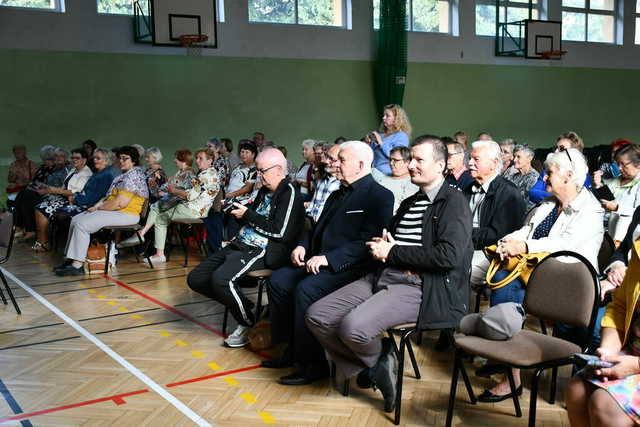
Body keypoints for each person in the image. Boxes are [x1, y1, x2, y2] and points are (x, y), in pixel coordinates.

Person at [306, 135, 473, 412]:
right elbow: (391, 242)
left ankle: (377, 359)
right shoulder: (411, 202)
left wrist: (393, 252)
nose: (411, 165)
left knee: (353, 328)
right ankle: (377, 363)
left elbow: (448, 256)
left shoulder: (453, 202)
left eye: (420, 160)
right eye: (411, 159)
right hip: (384, 275)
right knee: (318, 316)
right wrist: (384, 245)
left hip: (420, 286)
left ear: (441, 165)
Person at [478, 147, 604, 402]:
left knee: (508, 287)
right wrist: (506, 242)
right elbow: (526, 231)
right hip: (538, 275)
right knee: (505, 281)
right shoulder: (548, 205)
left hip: (567, 285)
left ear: (569, 176)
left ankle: (506, 362)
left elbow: (563, 246)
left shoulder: (591, 211)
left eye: (549, 173)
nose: (543, 178)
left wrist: (522, 247)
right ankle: (509, 369)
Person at [265, 141, 394, 386]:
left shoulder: (380, 196)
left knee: (307, 289)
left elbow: (370, 241)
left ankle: (312, 365)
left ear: (361, 164)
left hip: (352, 268)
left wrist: (328, 259)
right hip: (318, 260)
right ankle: (290, 349)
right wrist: (303, 244)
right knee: (278, 281)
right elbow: (315, 226)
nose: (335, 163)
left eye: (341, 160)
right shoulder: (337, 193)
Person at [187, 148, 304, 347]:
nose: (258, 175)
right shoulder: (265, 190)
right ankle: (246, 307)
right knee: (196, 279)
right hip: (241, 243)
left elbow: (279, 231)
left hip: (263, 250)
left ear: (277, 169)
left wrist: (247, 215)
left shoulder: (290, 193)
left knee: (221, 280)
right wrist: (236, 212)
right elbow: (254, 218)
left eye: (261, 171)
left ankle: (248, 323)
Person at [566, 241, 640, 427]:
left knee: (606, 405)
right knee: (577, 389)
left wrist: (635, 365)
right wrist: (609, 350)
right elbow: (619, 307)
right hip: (632, 353)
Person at [54, 146, 149, 276]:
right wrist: (96, 206)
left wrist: (98, 208)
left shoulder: (134, 176)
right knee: (76, 219)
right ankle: (71, 259)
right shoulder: (123, 175)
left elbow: (119, 203)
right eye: (120, 158)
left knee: (83, 225)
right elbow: (107, 197)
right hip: (115, 211)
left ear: (134, 161)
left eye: (125, 158)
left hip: (127, 214)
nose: (121, 161)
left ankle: (78, 265)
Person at [119, 148, 220, 264]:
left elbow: (190, 196)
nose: (197, 161)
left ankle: (157, 252)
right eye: (197, 158)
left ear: (210, 160)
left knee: (160, 217)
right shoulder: (209, 173)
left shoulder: (202, 175)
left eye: (200, 158)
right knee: (158, 208)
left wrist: (174, 190)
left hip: (191, 210)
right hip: (194, 209)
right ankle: (148, 241)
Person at [464, 140, 526, 299]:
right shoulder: (467, 189)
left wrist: (461, 235)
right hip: (463, 246)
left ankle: (454, 320)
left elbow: (499, 236)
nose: (469, 163)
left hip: (490, 254)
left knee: (453, 270)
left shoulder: (509, 194)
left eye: (476, 159)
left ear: (494, 163)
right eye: (470, 158)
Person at [32, 148, 93, 251]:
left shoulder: (86, 173)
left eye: (77, 158)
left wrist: (51, 190)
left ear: (84, 160)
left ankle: (43, 242)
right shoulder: (74, 170)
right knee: (38, 205)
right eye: (73, 158)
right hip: (65, 198)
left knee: (41, 208)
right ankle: (42, 241)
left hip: (75, 201)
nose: (74, 160)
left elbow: (73, 192)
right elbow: (65, 187)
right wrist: (49, 189)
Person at [14, 146, 69, 240]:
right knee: (23, 193)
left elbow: (65, 189)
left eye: (61, 156)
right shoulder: (54, 169)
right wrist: (40, 187)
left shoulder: (67, 170)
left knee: (26, 195)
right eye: (56, 156)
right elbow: (45, 183)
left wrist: (46, 190)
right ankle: (21, 227)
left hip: (56, 198)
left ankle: (28, 229)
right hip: (46, 194)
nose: (58, 158)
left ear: (66, 158)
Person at [593, 144, 640, 245]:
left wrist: (617, 208)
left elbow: (638, 214)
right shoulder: (616, 179)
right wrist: (598, 184)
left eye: (623, 164)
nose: (619, 168)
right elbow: (608, 200)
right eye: (618, 164)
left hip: (626, 236)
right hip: (604, 229)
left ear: (638, 164)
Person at [529, 131, 589, 205]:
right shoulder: (545, 172)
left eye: (561, 148)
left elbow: (578, 199)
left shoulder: (581, 173)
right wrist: (559, 197)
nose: (556, 151)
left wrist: (549, 195)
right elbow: (533, 193)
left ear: (574, 152)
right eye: (555, 148)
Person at [224, 141, 258, 240]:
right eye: (242, 152)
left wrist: (228, 196)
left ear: (253, 154)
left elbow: (247, 188)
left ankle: (231, 243)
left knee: (233, 225)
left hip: (241, 202)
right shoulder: (238, 166)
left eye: (247, 152)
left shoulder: (254, 169)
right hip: (228, 199)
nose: (243, 154)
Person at [371, 146, 418, 213]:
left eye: (395, 160)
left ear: (407, 162)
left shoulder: (411, 183)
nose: (391, 163)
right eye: (390, 160)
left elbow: (404, 209)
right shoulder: (379, 176)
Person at [367, 104, 411, 176]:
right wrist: (368, 143)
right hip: (373, 173)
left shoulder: (402, 136)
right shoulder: (380, 135)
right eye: (384, 115)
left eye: (387, 115)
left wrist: (381, 142)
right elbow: (371, 155)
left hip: (388, 175)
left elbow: (398, 158)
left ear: (397, 118)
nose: (383, 118)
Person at [306, 143, 341, 222]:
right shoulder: (323, 179)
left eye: (331, 159)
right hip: (312, 223)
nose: (325, 161)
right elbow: (313, 203)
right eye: (326, 157)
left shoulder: (341, 183)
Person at [502, 144, 539, 211]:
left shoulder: (534, 178)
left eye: (518, 157)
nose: (514, 160)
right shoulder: (513, 176)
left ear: (529, 158)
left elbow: (529, 206)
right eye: (514, 156)